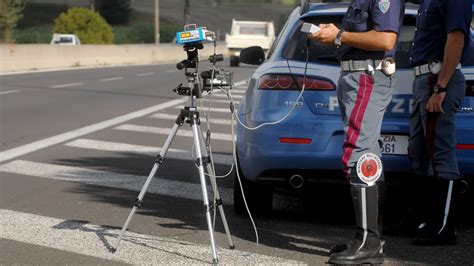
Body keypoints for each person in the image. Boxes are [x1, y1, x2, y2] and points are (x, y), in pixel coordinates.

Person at [308, 0, 404, 264]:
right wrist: (336, 35)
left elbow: (386, 39)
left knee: (359, 154)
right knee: (367, 154)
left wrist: (338, 35)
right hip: (355, 77)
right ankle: (368, 239)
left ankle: (368, 242)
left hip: (367, 76)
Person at [408, 0, 472, 246]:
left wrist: (441, 87)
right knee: (419, 152)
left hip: (438, 79)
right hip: (423, 79)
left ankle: (445, 226)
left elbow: (456, 39)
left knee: (441, 153)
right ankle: (424, 221)